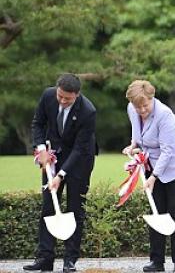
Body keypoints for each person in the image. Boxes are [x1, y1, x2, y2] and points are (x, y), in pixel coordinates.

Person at [121, 80, 175, 273]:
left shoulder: (165, 115)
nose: (141, 110)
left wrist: (153, 177)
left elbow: (167, 151)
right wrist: (133, 145)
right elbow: (137, 131)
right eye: (137, 106)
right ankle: (156, 261)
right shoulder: (133, 108)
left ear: (152, 98)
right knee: (156, 209)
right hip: (153, 161)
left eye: (145, 105)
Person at [24, 74, 97, 273]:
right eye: (60, 96)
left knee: (75, 208)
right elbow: (38, 123)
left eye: (68, 98)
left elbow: (80, 148)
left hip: (80, 159)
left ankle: (70, 260)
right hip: (53, 155)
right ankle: (45, 259)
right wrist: (41, 150)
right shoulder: (48, 96)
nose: (63, 101)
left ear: (77, 95)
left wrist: (61, 175)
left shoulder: (88, 111)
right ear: (56, 90)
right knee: (48, 205)